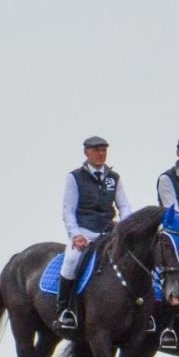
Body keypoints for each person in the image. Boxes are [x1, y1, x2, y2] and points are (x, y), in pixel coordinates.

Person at [57, 135, 134, 332]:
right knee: (72, 260)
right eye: (96, 150)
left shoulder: (113, 178)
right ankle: (65, 309)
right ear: (87, 153)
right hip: (85, 231)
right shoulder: (74, 178)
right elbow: (68, 210)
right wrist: (76, 235)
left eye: (103, 150)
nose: (100, 154)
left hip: (109, 233)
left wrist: (124, 228)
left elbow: (124, 206)